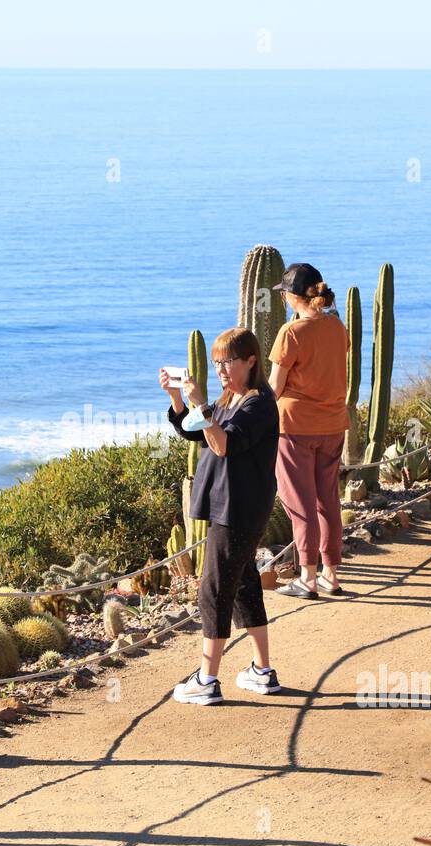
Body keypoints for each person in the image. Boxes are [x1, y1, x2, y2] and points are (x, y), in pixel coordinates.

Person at [162, 328, 280, 705]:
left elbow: (225, 444)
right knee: (244, 585)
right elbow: (196, 432)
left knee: (214, 590)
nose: (221, 370)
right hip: (230, 505)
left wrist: (200, 407)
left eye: (228, 361)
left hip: (238, 508)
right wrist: (179, 400)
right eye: (217, 363)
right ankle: (262, 671)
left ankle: (208, 679)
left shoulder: (258, 404)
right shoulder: (232, 397)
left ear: (251, 361)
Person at [268, 262, 350, 599]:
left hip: (295, 428)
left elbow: (274, 387)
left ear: (291, 296)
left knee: (300, 504)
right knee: (327, 501)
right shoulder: (336, 326)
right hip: (333, 424)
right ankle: (331, 574)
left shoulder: (291, 333)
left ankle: (307, 577)